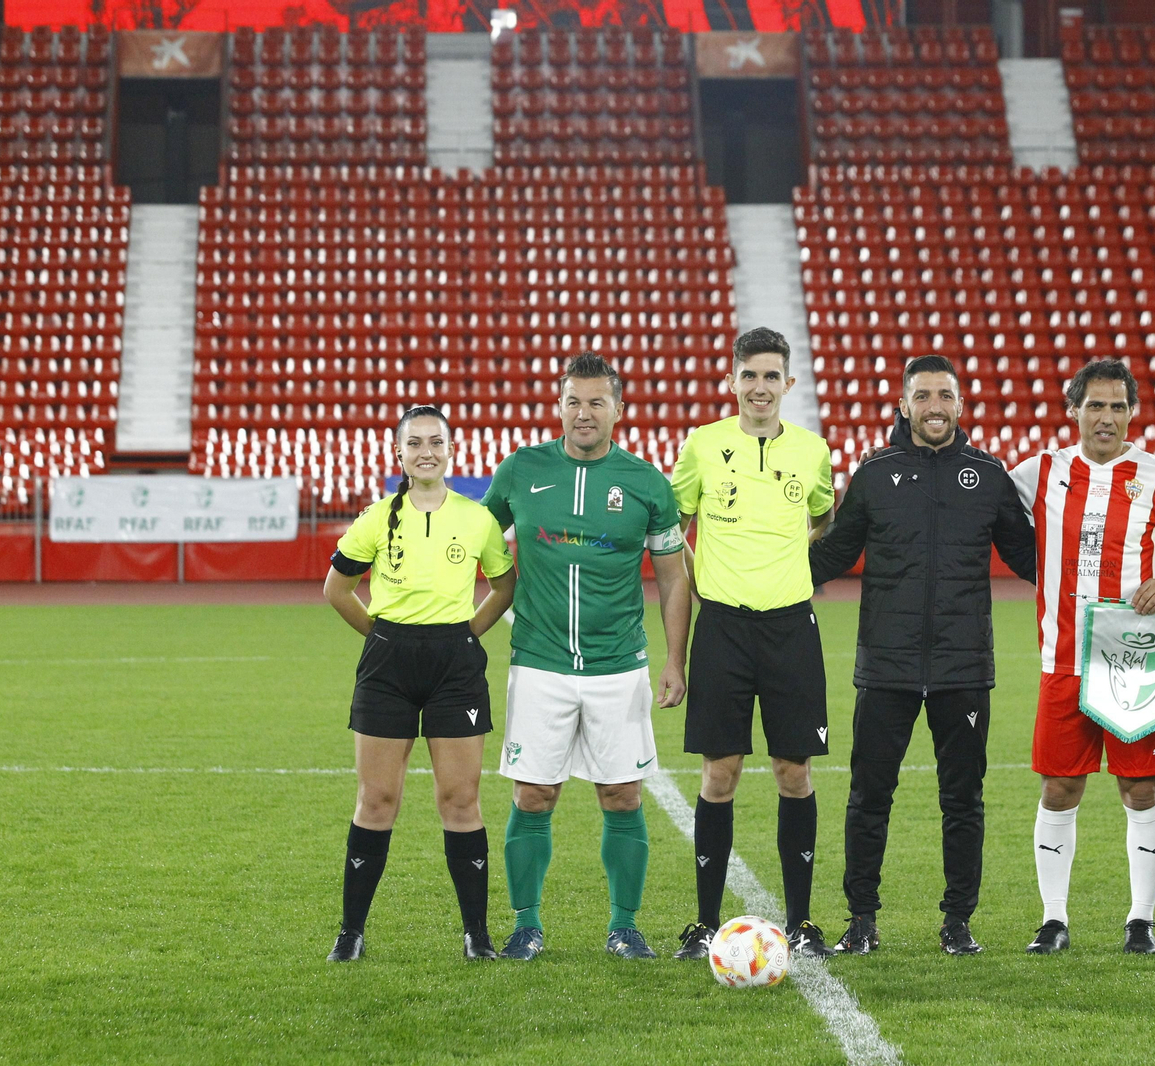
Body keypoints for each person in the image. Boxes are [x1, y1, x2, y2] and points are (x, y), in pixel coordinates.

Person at [809, 355, 1036, 956]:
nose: (935, 406)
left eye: (945, 395)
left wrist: (1105, 578)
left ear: (960, 405)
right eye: (923, 395)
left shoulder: (988, 475)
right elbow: (831, 556)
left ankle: (958, 921)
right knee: (868, 796)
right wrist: (757, 567)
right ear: (904, 405)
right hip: (887, 664)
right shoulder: (875, 474)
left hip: (964, 665)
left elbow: (1032, 558)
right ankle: (862, 919)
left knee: (963, 799)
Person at [481, 352, 691, 961]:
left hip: (618, 666)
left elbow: (675, 579)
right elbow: (472, 539)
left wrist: (676, 660)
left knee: (622, 796)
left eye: (597, 402)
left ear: (618, 410)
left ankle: (624, 927)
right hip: (540, 664)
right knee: (533, 796)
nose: (584, 413)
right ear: (560, 406)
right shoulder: (521, 470)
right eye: (574, 400)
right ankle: (527, 926)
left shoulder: (647, 483)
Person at [1010, 360, 1155, 956]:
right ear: (1073, 410)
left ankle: (1141, 922)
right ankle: (1053, 921)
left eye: (1118, 406)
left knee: (1140, 789)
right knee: (1060, 789)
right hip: (1062, 656)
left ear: (1132, 412)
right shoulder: (1036, 473)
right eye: (1095, 406)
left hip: (1134, 658)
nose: (1106, 418)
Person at [323, 404, 517, 962]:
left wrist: (468, 635)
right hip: (388, 666)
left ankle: (476, 936)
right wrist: (379, 635)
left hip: (455, 666)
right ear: (399, 453)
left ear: (451, 449)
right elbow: (337, 589)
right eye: (415, 443)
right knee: (377, 799)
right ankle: (351, 933)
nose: (426, 451)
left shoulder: (477, 519)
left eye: (436, 441)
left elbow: (502, 586)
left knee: (460, 799)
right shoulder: (375, 517)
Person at [669, 326, 838, 960]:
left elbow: (822, 516)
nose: (760, 387)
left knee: (794, 772)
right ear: (733, 381)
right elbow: (674, 523)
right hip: (723, 629)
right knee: (721, 773)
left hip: (792, 625)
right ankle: (705, 923)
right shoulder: (703, 446)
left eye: (772, 376)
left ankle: (801, 921)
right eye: (750, 375)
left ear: (788, 383)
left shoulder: (812, 451)